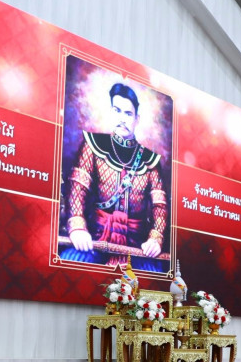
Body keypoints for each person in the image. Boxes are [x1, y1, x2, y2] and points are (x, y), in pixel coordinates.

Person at [62, 83, 167, 271]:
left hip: (136, 249)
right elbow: (77, 190)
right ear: (111, 112)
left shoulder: (150, 161)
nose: (122, 118)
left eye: (128, 114)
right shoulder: (92, 145)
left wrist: (155, 239)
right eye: (117, 111)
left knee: (155, 274)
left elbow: (160, 207)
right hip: (94, 241)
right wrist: (78, 228)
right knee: (70, 261)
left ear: (137, 119)